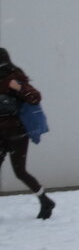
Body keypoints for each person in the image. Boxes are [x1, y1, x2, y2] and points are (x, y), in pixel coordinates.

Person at [0, 48, 54, 219]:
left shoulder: (14, 77)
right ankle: (45, 200)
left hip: (16, 133)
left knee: (20, 172)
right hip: (4, 134)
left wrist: (19, 88)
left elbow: (35, 97)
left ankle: (45, 200)